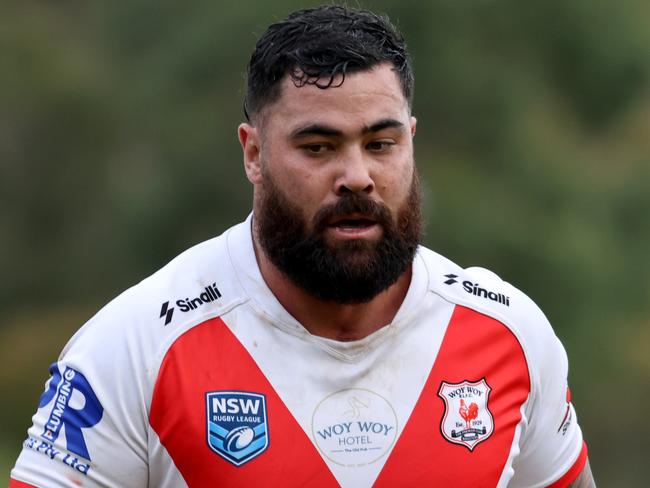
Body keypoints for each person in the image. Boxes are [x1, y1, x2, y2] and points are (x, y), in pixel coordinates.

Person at [9, 5, 594, 487]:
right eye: (318, 147)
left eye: (381, 143)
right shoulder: (135, 346)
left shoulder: (511, 335)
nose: (357, 176)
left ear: (411, 141)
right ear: (253, 153)